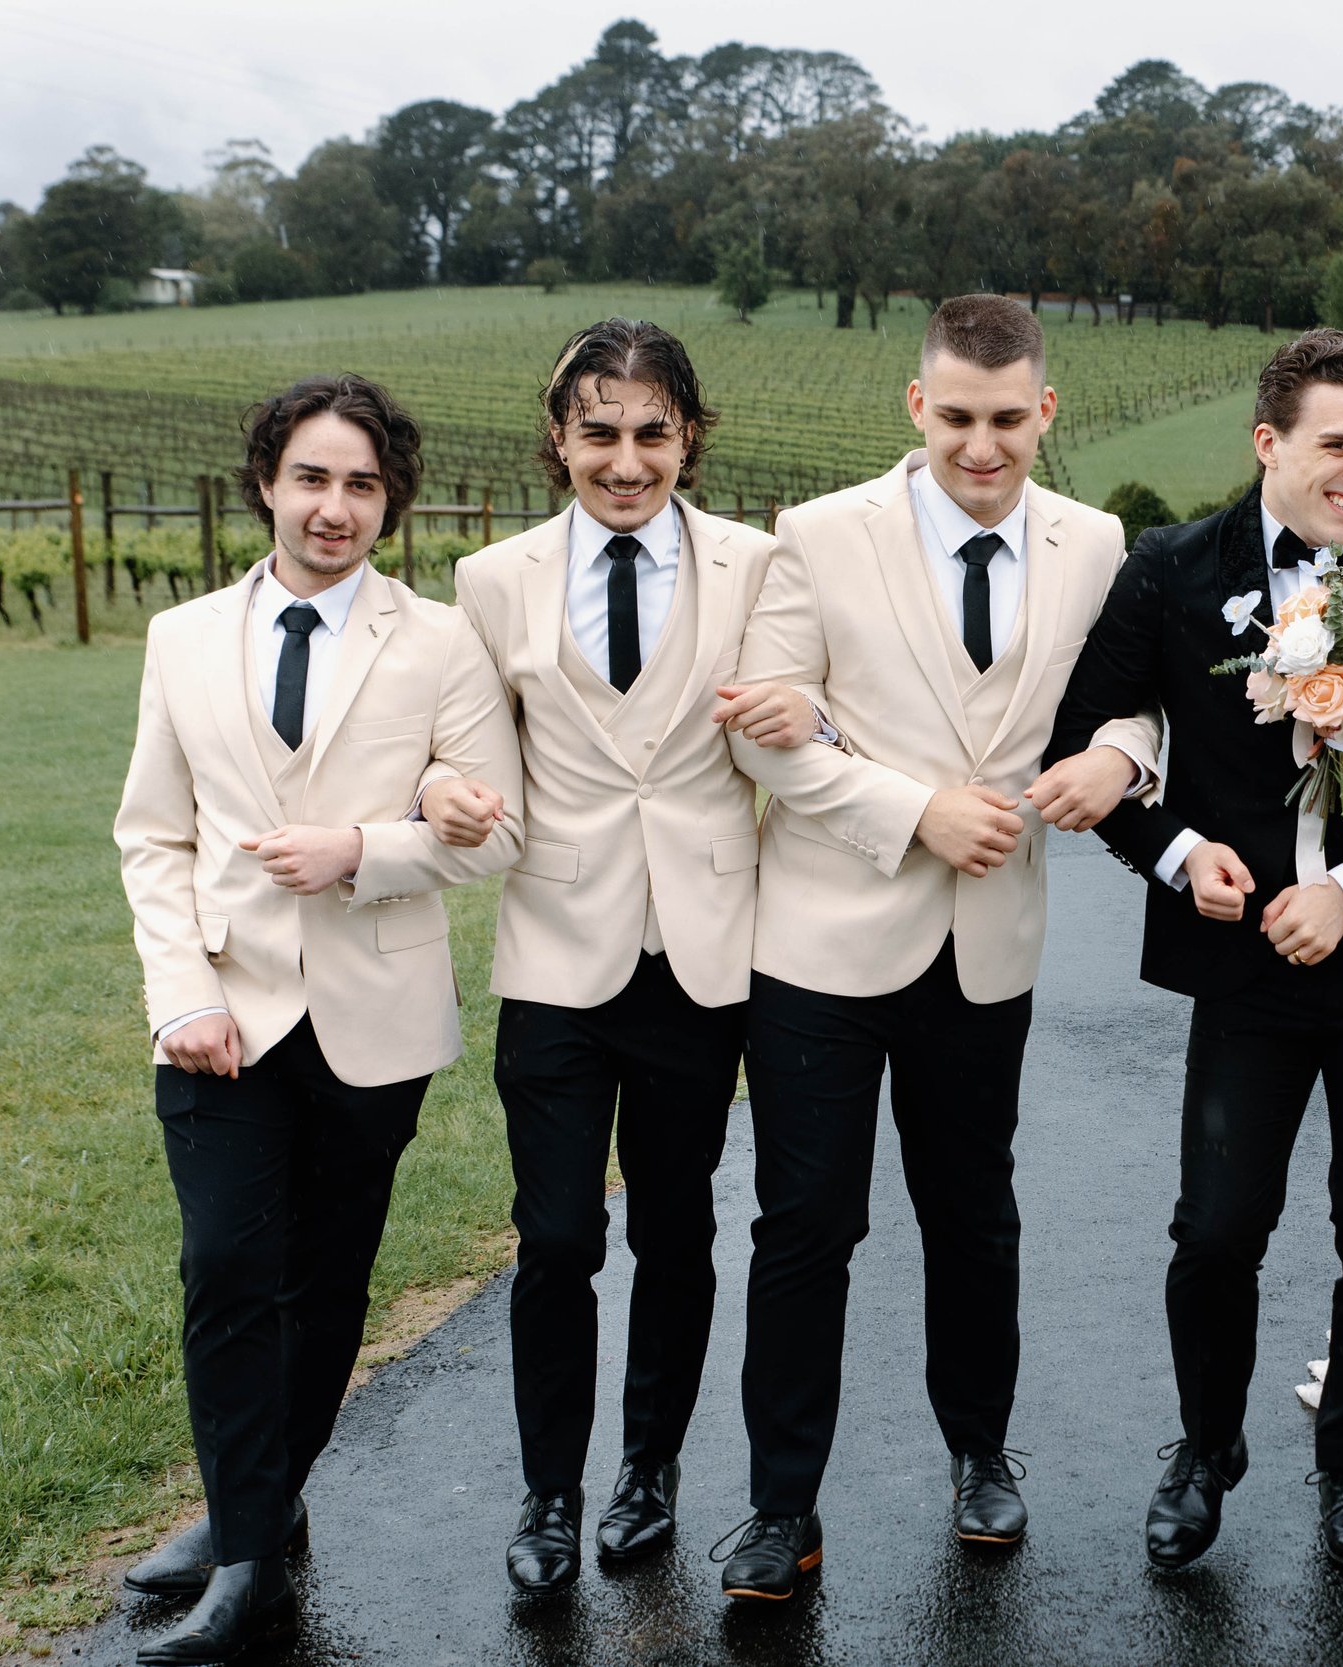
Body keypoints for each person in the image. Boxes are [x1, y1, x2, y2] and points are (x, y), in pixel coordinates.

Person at [713, 294, 1162, 1600]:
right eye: (957, 417)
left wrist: (1118, 754)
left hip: (988, 951)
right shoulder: (814, 535)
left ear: (1046, 411)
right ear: (918, 406)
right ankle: (779, 1507)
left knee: (974, 1213)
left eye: (1008, 419)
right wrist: (916, 809)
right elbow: (762, 728)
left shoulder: (1095, 541)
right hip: (820, 945)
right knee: (807, 1222)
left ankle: (982, 1455)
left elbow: (1134, 701)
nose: (982, 445)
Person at [1046, 328, 1343, 1574]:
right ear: (1269, 442)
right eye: (1336, 444)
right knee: (1217, 1226)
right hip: (1239, 966)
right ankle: (1203, 1450)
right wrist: (1180, 852)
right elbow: (1088, 739)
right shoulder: (1173, 571)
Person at [113, 374, 524, 1664]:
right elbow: (152, 835)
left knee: (327, 1280)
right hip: (221, 1013)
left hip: (373, 1016)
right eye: (311, 476)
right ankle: (247, 1556)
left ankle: (258, 1505)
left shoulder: (442, 640)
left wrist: (364, 844)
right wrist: (181, 991)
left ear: (389, 498)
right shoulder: (180, 637)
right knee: (225, 1266)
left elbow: (493, 829)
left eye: (359, 483)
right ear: (266, 483)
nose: (333, 505)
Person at [420, 319, 806, 1596]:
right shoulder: (493, 581)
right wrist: (444, 786)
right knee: (556, 1237)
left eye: (652, 432)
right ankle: (546, 1490)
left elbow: (797, 724)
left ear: (690, 436)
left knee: (682, 1226)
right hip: (554, 948)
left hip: (701, 952)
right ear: (559, 438)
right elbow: (469, 752)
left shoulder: (758, 565)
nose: (626, 460)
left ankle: (648, 1471)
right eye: (600, 432)